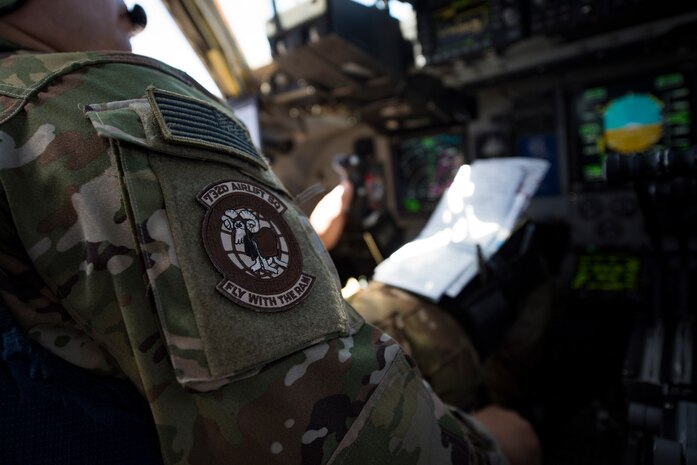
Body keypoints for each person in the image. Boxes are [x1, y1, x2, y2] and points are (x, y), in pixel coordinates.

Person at [0, 1, 540, 464]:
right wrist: (496, 444)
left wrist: (300, 238)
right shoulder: (97, 103)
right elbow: (342, 439)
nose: (132, 18)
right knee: (451, 311)